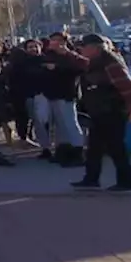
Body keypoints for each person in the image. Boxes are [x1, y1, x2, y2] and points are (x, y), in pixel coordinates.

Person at [69, 34, 131, 192]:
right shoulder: (96, 62)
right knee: (94, 148)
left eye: (84, 46)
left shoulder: (110, 63)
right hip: (100, 111)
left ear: (94, 48)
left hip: (112, 111)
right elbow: (81, 63)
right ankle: (91, 179)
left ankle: (126, 182)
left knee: (116, 148)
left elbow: (128, 87)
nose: (81, 49)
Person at [44, 32, 86, 167]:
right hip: (53, 94)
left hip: (67, 94)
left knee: (70, 123)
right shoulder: (49, 55)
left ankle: (78, 152)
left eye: (56, 40)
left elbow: (82, 66)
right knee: (60, 126)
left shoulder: (71, 56)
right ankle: (63, 150)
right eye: (52, 40)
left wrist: (59, 65)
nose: (53, 43)